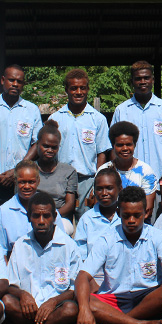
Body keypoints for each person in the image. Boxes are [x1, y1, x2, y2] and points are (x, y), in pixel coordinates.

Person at [74, 187, 162, 324]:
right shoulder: (107, 239)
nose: (131, 220)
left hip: (148, 297)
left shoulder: (156, 236)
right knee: (84, 301)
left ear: (146, 213)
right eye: (126, 215)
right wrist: (84, 309)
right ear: (118, 213)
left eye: (136, 215)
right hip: (115, 299)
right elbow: (82, 276)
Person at [1, 192, 84, 324]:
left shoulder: (68, 245)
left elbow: (74, 288)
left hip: (55, 308)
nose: (41, 221)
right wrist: (23, 295)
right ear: (28, 217)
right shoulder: (21, 244)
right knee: (7, 301)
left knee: (70, 309)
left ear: (54, 218)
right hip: (27, 310)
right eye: (36, 216)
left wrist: (53, 302)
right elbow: (10, 284)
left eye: (46, 216)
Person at [0, 63, 42, 204]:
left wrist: (17, 171)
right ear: (2, 80)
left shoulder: (31, 110)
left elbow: (37, 144)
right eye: (11, 80)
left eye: (19, 81)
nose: (15, 84)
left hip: (22, 181)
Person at [51, 68, 111, 219]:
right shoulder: (55, 119)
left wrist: (97, 182)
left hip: (87, 180)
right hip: (61, 179)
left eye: (82, 88)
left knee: (87, 222)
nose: (78, 92)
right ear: (66, 90)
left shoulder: (98, 119)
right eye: (73, 88)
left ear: (87, 89)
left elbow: (102, 152)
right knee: (60, 224)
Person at [111, 61, 162, 179]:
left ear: (153, 80)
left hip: (160, 178)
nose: (142, 82)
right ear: (132, 81)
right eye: (138, 79)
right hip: (129, 178)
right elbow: (113, 147)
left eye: (146, 78)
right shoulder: (121, 111)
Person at [0, 160, 75, 257]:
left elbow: (61, 241)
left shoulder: (47, 206)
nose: (27, 186)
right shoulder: (4, 211)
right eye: (22, 182)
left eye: (31, 182)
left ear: (38, 181)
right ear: (15, 181)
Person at [96, 121, 159, 219]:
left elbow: (147, 210)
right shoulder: (103, 171)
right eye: (120, 145)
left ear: (134, 145)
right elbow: (99, 204)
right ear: (113, 146)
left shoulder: (146, 171)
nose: (125, 148)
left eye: (129, 144)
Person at [32, 123, 78, 222]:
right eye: (45, 146)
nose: (50, 150)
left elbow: (70, 204)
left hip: (59, 218)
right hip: (33, 217)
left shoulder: (69, 171)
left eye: (54, 147)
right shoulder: (29, 169)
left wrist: (50, 218)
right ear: (37, 145)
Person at [74, 167, 121, 258]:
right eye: (99, 189)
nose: (104, 193)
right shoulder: (87, 219)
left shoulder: (125, 217)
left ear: (119, 189)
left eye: (109, 188)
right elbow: (81, 254)